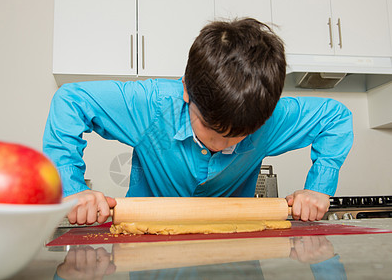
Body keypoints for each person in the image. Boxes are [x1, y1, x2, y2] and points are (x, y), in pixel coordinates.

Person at [43, 18, 353, 225]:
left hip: (234, 251)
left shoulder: (269, 118)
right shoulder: (150, 105)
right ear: (186, 91)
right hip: (145, 247)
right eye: (213, 130)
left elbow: (336, 118)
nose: (223, 146)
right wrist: (71, 187)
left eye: (240, 135)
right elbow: (70, 100)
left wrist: (318, 188)